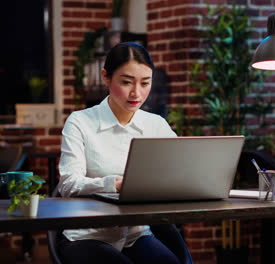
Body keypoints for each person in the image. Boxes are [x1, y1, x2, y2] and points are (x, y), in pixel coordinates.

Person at [57, 42, 184, 264]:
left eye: (145, 83)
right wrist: (114, 184)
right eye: (126, 82)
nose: (136, 93)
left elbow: (179, 170)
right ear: (106, 77)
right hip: (87, 236)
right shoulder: (80, 122)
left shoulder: (156, 125)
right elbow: (68, 184)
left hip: (136, 234)